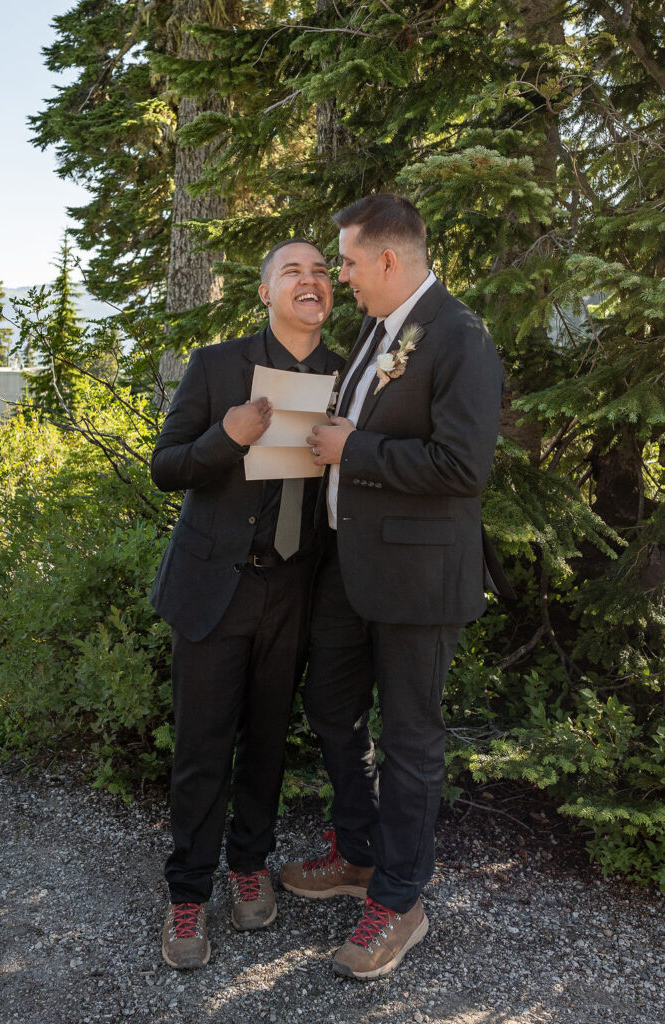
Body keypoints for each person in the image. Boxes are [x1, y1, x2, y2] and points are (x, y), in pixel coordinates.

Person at [280, 194, 511, 980]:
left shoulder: (460, 336)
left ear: (386, 259)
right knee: (329, 709)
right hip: (352, 566)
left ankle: (401, 898)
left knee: (410, 741)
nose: (337, 275)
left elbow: (462, 467)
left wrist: (357, 448)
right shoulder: (377, 331)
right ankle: (357, 853)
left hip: (419, 577)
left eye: (344, 261)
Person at [150, 239, 343, 970]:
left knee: (267, 740)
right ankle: (187, 892)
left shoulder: (346, 377)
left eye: (322, 270)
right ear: (264, 292)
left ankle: (249, 862)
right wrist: (223, 438)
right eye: (292, 269)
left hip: (295, 587)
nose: (311, 278)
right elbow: (167, 466)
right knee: (202, 747)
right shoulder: (216, 365)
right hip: (214, 586)